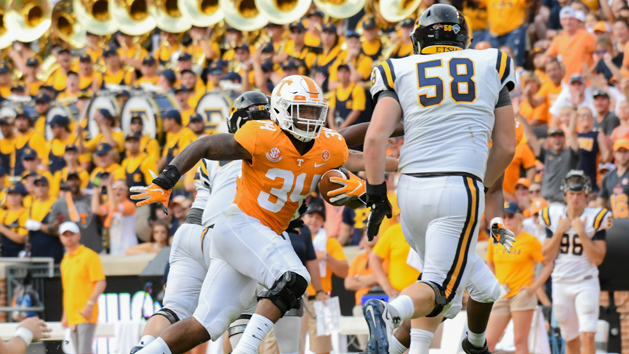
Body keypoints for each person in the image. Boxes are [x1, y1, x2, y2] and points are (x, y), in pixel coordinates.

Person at [131, 77, 389, 354]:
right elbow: (207, 144)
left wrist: (403, 123)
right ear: (276, 112)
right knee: (292, 277)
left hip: (217, 232)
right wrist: (166, 179)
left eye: (314, 112)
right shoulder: (259, 136)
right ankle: (247, 349)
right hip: (240, 224)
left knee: (206, 324)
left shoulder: (321, 144)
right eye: (302, 112)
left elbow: (354, 137)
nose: (309, 119)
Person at [361, 5, 516, 354]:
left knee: (457, 289)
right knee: (439, 289)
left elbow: (374, 138)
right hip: (458, 187)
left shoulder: (397, 68)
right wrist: (480, 183)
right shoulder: (490, 62)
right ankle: (388, 312)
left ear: (418, 39)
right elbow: (506, 146)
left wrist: (376, 194)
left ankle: (464, 345)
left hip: (410, 189)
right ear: (464, 37)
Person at [541, 170, 610, 354]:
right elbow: (546, 256)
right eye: (572, 193)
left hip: (585, 280)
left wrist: (581, 233)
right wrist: (559, 232)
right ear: (565, 194)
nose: (575, 198)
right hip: (561, 282)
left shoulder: (595, 218)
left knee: (588, 333)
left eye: (579, 193)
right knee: (569, 338)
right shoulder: (554, 216)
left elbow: (598, 258)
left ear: (586, 194)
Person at [485, 202, 553, 354]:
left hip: (521, 294)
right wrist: (494, 284)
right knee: (488, 341)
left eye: (511, 216)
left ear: (520, 218)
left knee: (520, 342)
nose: (507, 219)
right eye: (504, 216)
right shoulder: (494, 240)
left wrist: (533, 288)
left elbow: (548, 264)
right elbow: (490, 264)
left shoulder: (530, 241)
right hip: (502, 294)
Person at [301, 199, 348, 354]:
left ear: (323, 222)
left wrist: (326, 256)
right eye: (310, 216)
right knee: (293, 345)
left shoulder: (331, 243)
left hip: (320, 300)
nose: (313, 220)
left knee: (323, 349)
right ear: (303, 218)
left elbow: (344, 272)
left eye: (318, 217)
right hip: (297, 299)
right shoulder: (295, 239)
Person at [60, 221, 106, 354]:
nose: (69, 238)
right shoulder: (65, 261)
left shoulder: (89, 255)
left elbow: (101, 282)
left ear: (78, 235)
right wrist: (65, 314)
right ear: (61, 238)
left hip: (85, 313)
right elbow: (67, 290)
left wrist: (90, 304)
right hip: (72, 315)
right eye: (65, 235)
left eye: (71, 234)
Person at [48, 172, 102, 253]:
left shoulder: (91, 199)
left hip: (94, 248)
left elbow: (102, 219)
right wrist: (57, 223)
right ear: (66, 183)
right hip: (72, 250)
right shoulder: (59, 203)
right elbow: (51, 229)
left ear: (80, 181)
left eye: (76, 180)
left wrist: (98, 193)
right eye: (70, 180)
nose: (73, 183)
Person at [92, 178, 137, 255]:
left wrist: (109, 187)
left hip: (129, 248)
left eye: (121, 188)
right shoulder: (110, 205)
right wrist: (96, 190)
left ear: (127, 192)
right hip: (115, 249)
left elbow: (115, 208)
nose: (117, 190)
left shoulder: (130, 205)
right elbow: (96, 210)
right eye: (114, 188)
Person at [24, 175, 63, 263]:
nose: (40, 188)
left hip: (52, 248)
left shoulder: (56, 203)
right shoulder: (32, 204)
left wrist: (39, 226)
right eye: (37, 185)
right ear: (34, 188)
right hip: (36, 249)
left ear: (49, 187)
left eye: (43, 185)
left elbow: (58, 231)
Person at [597, 137, 629, 217]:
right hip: (616, 224)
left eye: (625, 151)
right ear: (614, 153)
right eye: (619, 152)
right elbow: (600, 203)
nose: (622, 155)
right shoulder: (608, 176)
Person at [0, 183, 28, 257]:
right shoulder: (4, 214)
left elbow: (21, 238)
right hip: (4, 253)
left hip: (19, 254)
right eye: (10, 195)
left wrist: (3, 229)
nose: (13, 198)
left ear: (22, 197)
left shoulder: (25, 213)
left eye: (16, 195)